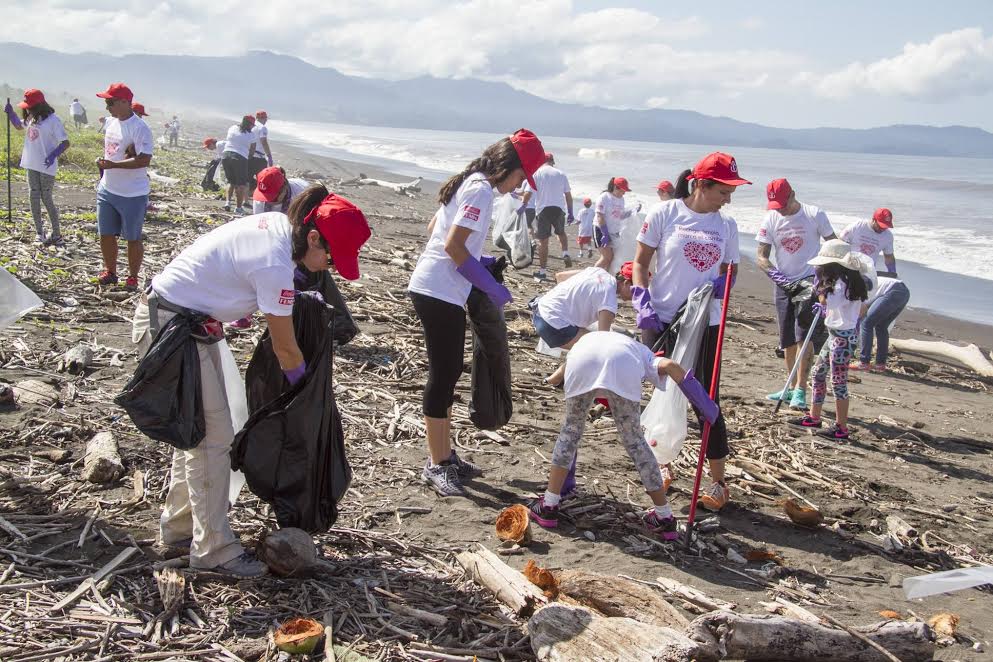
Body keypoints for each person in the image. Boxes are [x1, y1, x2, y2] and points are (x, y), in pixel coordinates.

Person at [132, 184, 371, 577]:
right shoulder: (275, 262)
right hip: (170, 329)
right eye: (329, 255)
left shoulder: (280, 228)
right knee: (213, 439)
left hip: (189, 323)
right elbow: (286, 350)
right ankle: (213, 551)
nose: (329, 265)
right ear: (312, 237)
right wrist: (305, 391)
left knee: (198, 434)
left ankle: (178, 529)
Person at [408, 128, 545, 497]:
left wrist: (479, 261)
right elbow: (452, 246)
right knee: (444, 375)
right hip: (437, 290)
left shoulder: (471, 182)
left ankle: (446, 455)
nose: (519, 185)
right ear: (508, 166)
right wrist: (489, 285)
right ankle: (436, 464)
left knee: (449, 374)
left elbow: (436, 228)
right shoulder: (481, 189)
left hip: (439, 287)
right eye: (520, 176)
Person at [632, 152, 748, 510]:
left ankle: (717, 481)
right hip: (663, 317)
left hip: (704, 323)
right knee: (660, 393)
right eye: (723, 191)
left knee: (705, 398)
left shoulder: (726, 226)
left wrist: (720, 286)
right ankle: (662, 463)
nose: (728, 199)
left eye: (731, 191)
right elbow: (640, 262)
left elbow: (731, 271)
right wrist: (642, 300)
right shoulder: (664, 214)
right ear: (700, 184)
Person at [526, 331, 719, 540]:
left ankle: (549, 504)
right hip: (622, 367)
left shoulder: (594, 341)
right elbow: (672, 366)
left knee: (571, 431)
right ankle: (664, 516)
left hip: (582, 361)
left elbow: (561, 372)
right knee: (635, 441)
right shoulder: (643, 353)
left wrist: (551, 380)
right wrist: (704, 405)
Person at [756, 178, 837, 410]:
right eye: (776, 205)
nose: (780, 209)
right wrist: (780, 280)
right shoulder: (771, 218)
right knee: (787, 340)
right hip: (783, 282)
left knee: (804, 337)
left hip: (809, 281)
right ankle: (790, 387)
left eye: (783, 204)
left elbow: (834, 246)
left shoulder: (814, 214)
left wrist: (827, 280)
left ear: (793, 194)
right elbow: (761, 256)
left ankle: (801, 388)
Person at [790, 240, 869, 440]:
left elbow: (827, 302)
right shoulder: (849, 281)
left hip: (843, 338)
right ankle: (814, 417)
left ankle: (841, 427)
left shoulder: (842, 285)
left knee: (838, 382)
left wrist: (820, 289)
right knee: (818, 373)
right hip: (836, 335)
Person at [531, 262, 635, 387]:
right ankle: (567, 381)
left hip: (539, 309)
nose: (636, 297)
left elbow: (560, 276)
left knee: (587, 343)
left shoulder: (597, 271)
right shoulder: (609, 301)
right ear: (626, 283)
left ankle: (555, 379)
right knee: (594, 349)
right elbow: (604, 341)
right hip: (551, 325)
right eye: (636, 291)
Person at [94, 83, 154, 290]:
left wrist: (114, 165)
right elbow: (115, 151)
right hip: (108, 189)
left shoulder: (140, 128)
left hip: (133, 193)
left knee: (132, 237)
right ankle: (110, 271)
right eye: (106, 102)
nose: (107, 107)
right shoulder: (111, 122)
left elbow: (144, 160)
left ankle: (133, 277)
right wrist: (106, 164)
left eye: (110, 102)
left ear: (124, 102)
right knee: (106, 233)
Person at [5, 89, 70, 247]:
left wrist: (53, 155)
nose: (27, 109)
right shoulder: (32, 118)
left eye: (30, 106)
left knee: (46, 197)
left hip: (46, 166)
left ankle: (56, 234)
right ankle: (39, 233)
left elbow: (65, 142)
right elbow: (19, 126)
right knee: (33, 196)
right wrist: (11, 114)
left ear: (39, 105)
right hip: (31, 164)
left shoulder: (53, 120)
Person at [852, 275, 910, 372]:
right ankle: (880, 364)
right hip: (903, 291)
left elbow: (861, 312)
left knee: (866, 323)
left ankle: (864, 362)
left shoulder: (857, 289)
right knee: (882, 326)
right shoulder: (861, 283)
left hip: (892, 290)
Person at [530, 152, 574, 280]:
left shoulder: (537, 173)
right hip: (559, 208)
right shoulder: (561, 174)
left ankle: (542, 272)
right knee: (561, 232)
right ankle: (565, 252)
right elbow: (568, 195)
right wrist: (570, 212)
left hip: (543, 209)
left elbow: (530, 192)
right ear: (552, 162)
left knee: (543, 242)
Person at [593, 177, 639, 271]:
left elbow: (620, 216)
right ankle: (590, 276)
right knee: (607, 257)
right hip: (600, 229)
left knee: (613, 258)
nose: (624, 193)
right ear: (616, 187)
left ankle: (605, 277)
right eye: (623, 190)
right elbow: (600, 216)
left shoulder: (621, 199)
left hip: (614, 231)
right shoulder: (604, 197)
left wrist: (633, 211)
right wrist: (605, 234)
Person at [841, 208, 897, 274]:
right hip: (849, 266)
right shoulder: (858, 226)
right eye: (880, 226)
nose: (882, 229)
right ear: (874, 220)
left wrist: (892, 272)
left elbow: (889, 257)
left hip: (869, 271)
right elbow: (841, 242)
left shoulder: (888, 236)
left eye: (885, 227)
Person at [221, 115, 257, 215]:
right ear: (249, 124)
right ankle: (238, 208)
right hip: (239, 157)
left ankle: (227, 203)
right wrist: (248, 157)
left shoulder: (232, 128)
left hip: (226, 155)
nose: (252, 127)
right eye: (252, 125)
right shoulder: (251, 135)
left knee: (231, 182)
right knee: (241, 184)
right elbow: (252, 150)